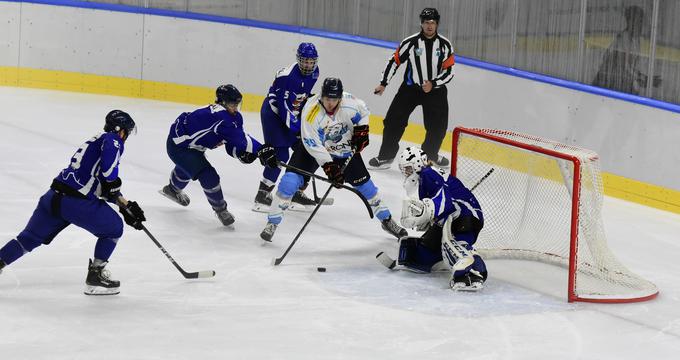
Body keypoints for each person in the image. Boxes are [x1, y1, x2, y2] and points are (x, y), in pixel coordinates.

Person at [0, 110, 146, 296]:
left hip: (52, 197)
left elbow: (99, 184)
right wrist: (115, 184)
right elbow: (109, 176)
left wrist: (125, 205)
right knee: (114, 228)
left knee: (28, 238)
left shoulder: (95, 141)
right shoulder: (112, 139)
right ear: (121, 130)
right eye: (126, 132)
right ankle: (95, 277)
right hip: (76, 202)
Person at [260, 77, 407, 242]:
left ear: (340, 98)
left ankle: (386, 220)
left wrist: (362, 131)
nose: (330, 103)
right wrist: (330, 167)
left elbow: (364, 112)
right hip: (312, 150)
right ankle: (272, 222)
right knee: (289, 182)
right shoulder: (311, 110)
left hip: (343, 149)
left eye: (334, 99)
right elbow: (312, 144)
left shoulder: (350, 102)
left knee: (368, 188)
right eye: (327, 99)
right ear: (321, 95)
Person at [159, 84, 278, 226]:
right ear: (222, 102)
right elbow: (241, 139)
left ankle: (172, 189)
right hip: (179, 147)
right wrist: (261, 150)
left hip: (193, 146)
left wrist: (240, 154)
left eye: (237, 104)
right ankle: (221, 209)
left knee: (191, 166)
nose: (236, 107)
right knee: (208, 175)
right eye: (232, 104)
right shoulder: (220, 116)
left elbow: (233, 141)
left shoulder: (233, 117)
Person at [369, 7, 454, 170]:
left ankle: (430, 156)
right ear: (421, 24)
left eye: (433, 23)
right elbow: (394, 61)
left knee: (438, 127)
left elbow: (450, 71)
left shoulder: (445, 45)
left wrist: (434, 83)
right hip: (410, 89)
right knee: (393, 121)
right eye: (427, 23)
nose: (430, 26)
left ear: (437, 24)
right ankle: (386, 157)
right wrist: (383, 83)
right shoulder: (411, 42)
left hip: (435, 91)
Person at [395, 146, 487, 291]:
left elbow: (444, 200)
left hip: (465, 215)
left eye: (407, 168)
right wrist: (426, 219)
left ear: (417, 163)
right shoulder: (423, 178)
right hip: (450, 218)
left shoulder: (428, 173)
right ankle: (446, 260)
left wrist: (428, 210)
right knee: (423, 256)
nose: (405, 172)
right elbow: (437, 207)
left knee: (455, 246)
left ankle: (474, 270)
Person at [252, 43, 321, 213]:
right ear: (298, 60)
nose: (308, 65)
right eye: (305, 61)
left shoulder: (315, 72)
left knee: (305, 149)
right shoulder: (287, 77)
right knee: (280, 154)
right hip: (274, 115)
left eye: (311, 62)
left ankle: (294, 191)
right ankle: (262, 195)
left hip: (291, 113)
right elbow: (284, 109)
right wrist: (299, 129)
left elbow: (302, 98)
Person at [592, 5, 661, 95]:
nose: (640, 25)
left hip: (619, 85)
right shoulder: (622, 39)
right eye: (638, 21)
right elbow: (625, 68)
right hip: (607, 86)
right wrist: (645, 79)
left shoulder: (635, 41)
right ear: (630, 22)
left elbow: (631, 70)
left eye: (641, 22)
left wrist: (645, 79)